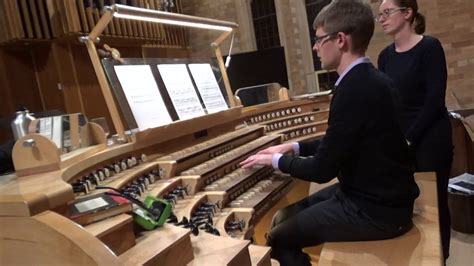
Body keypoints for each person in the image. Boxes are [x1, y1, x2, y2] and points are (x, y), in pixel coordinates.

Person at [240, 1, 419, 265]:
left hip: (378, 211)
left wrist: (276, 161)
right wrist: (293, 147)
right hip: (373, 194)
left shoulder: (354, 89)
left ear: (340, 40)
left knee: (279, 237)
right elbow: (341, 140)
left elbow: (321, 170)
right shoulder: (370, 79)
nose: (314, 47)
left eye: (319, 39)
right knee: (282, 218)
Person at [376, 0, 453, 260]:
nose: (382, 19)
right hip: (402, 143)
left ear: (408, 13)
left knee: (434, 206)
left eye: (387, 12)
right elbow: (386, 103)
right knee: (410, 206)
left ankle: (440, 259)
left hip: (431, 139)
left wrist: (409, 138)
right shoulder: (385, 56)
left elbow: (434, 101)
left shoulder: (430, 48)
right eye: (380, 15)